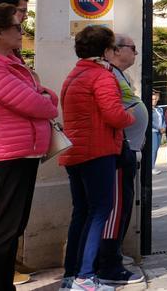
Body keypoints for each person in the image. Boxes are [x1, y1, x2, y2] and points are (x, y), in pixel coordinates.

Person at [0, 3, 58, 291]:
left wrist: (43, 95)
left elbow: (43, 97)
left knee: (11, 229)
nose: (22, 32)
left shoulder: (10, 64)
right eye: (17, 27)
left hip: (20, 155)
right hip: (6, 156)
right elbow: (39, 105)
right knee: (2, 232)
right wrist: (43, 96)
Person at [60, 25, 135, 291]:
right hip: (98, 151)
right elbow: (114, 115)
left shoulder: (75, 73)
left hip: (75, 153)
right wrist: (131, 117)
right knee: (100, 211)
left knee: (81, 213)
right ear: (105, 50)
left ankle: (72, 274)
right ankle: (86, 277)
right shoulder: (101, 77)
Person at [94, 34, 147, 287]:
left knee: (123, 206)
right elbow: (114, 112)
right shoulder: (106, 73)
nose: (136, 53)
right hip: (117, 149)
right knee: (115, 209)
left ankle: (112, 254)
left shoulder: (118, 74)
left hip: (126, 148)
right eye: (132, 48)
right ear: (115, 50)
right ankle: (107, 264)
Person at [149, 91, 164, 175]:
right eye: (152, 99)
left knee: (156, 150)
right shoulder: (149, 109)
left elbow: (163, 119)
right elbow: (150, 122)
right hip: (153, 132)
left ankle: (153, 166)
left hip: (160, 132)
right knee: (153, 150)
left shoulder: (159, 109)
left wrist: (164, 128)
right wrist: (159, 128)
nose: (154, 101)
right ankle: (151, 168)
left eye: (155, 99)